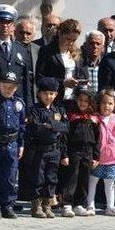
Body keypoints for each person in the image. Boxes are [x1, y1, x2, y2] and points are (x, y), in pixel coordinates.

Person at [25, 77, 68, 218]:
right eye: (45, 93)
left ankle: (47, 204)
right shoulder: (34, 110)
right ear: (39, 94)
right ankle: (36, 206)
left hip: (55, 149)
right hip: (39, 150)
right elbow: (36, 128)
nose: (48, 97)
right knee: (38, 178)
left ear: (56, 94)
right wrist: (53, 127)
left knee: (51, 178)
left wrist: (50, 125)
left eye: (51, 93)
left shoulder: (59, 109)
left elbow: (66, 128)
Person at [0, 71, 26, 219]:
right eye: (5, 86)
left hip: (12, 143)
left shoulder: (19, 104)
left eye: (11, 87)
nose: (8, 89)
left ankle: (7, 204)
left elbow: (22, 126)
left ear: (16, 88)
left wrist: (21, 144)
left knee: (10, 175)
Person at [86, 89, 115, 217]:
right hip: (96, 158)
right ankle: (90, 205)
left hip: (112, 159)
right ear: (99, 103)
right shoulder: (94, 119)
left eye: (110, 103)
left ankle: (110, 206)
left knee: (110, 183)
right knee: (92, 181)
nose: (106, 106)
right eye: (104, 103)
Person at [62, 88, 100, 217]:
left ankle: (79, 204)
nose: (82, 103)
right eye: (80, 100)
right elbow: (65, 136)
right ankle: (67, 204)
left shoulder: (94, 118)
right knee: (72, 177)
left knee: (84, 178)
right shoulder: (72, 116)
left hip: (88, 151)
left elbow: (98, 138)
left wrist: (96, 156)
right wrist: (65, 154)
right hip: (74, 150)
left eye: (86, 101)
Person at [35, 18, 86, 106]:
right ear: (59, 33)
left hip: (73, 101)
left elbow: (82, 75)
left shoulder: (77, 52)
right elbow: (40, 78)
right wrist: (63, 82)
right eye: (68, 39)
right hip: (54, 100)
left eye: (74, 40)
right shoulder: (47, 51)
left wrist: (81, 83)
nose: (70, 43)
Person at [15, 17, 39, 101]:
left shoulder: (39, 50)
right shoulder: (9, 49)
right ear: (15, 32)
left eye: (28, 33)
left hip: (34, 96)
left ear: (33, 35)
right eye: (21, 33)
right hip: (15, 94)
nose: (24, 36)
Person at [80, 30, 104, 96]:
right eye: (91, 43)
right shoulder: (78, 64)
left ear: (103, 47)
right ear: (85, 45)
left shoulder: (106, 64)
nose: (95, 46)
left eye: (98, 44)